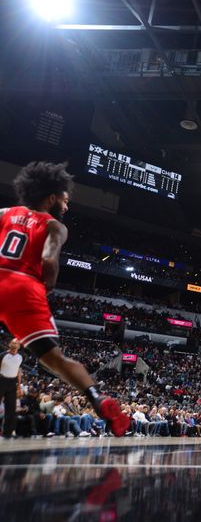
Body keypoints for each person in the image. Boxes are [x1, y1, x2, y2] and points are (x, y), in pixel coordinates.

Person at [0, 162, 129, 436]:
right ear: (52, 197)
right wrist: (47, 287)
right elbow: (48, 259)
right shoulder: (54, 225)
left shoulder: (4, 213)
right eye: (65, 200)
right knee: (55, 359)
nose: (67, 207)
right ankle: (98, 399)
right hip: (24, 288)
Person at [0, 338, 23, 438]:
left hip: (12, 382)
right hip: (2, 380)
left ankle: (7, 433)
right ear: (9, 344)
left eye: (17, 342)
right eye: (13, 342)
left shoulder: (20, 357)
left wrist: (19, 385)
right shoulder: (3, 355)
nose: (15, 343)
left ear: (19, 345)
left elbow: (19, 371)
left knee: (11, 409)